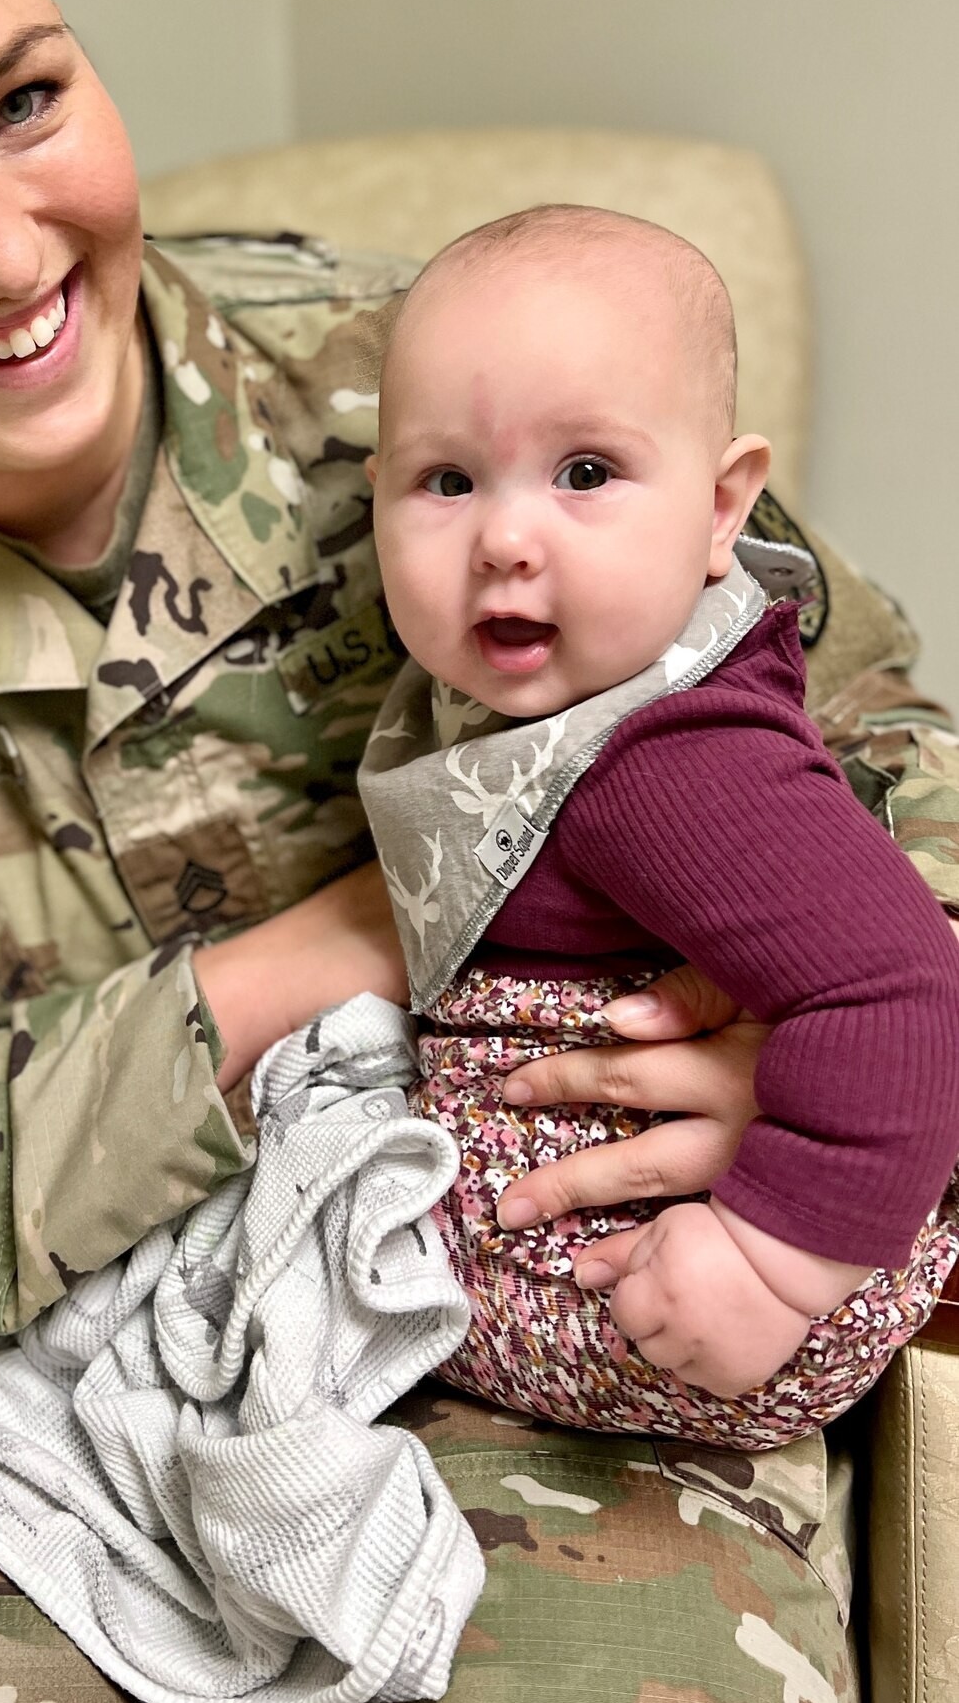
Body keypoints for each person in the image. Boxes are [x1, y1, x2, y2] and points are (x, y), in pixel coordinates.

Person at [0, 0, 959, 1703]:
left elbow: (875, 734)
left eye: (25, 100)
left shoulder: (447, 395)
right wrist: (314, 971)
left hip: (556, 1320)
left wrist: (825, 1095)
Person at [359, 205, 959, 1449]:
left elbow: (904, 988)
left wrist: (772, 1258)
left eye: (587, 473)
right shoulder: (555, 696)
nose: (505, 541)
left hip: (708, 1287)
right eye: (446, 480)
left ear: (726, 504)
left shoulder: (661, 759)